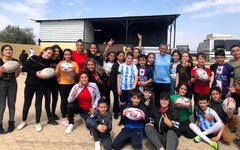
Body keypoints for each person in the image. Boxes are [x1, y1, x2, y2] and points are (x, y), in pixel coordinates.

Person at [17, 47, 55, 132]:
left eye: (51, 54)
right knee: (27, 103)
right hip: (30, 84)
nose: (49, 55)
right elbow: (25, 68)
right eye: (48, 53)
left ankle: (38, 123)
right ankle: (23, 121)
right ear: (44, 52)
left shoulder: (49, 63)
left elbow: (50, 74)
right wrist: (35, 73)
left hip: (41, 85)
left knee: (38, 104)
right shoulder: (34, 58)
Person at [55, 49, 79, 126]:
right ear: (63, 55)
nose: (67, 56)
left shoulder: (74, 64)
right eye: (66, 54)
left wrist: (73, 71)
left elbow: (76, 75)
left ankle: (70, 115)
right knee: (63, 100)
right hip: (62, 84)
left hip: (71, 84)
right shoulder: (61, 63)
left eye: (69, 54)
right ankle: (64, 117)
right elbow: (56, 75)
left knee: (71, 100)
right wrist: (58, 68)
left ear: (71, 55)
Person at [0, 45, 20, 133]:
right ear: (2, 52)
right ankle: (0, 125)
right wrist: (0, 71)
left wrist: (17, 68)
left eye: (10, 50)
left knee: (11, 104)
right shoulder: (0, 61)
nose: (8, 51)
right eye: (6, 50)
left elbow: (17, 75)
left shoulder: (16, 61)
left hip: (13, 83)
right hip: (1, 84)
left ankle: (11, 123)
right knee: (1, 105)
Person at [48, 45, 63, 121]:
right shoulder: (48, 60)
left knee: (55, 99)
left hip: (56, 83)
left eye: (58, 51)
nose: (56, 53)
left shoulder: (59, 61)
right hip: (47, 83)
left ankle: (53, 113)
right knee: (48, 100)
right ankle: (49, 115)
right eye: (55, 51)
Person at [110, 51, 125, 119]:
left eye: (123, 56)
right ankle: (116, 112)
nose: (121, 57)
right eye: (120, 56)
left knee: (122, 99)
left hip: (124, 85)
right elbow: (112, 77)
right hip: (116, 86)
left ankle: (122, 112)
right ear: (117, 57)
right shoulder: (115, 65)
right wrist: (115, 87)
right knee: (116, 99)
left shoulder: (125, 64)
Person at [228, 45, 240, 110]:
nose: (236, 52)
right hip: (235, 88)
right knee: (234, 107)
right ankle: (235, 120)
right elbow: (230, 77)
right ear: (231, 53)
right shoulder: (229, 64)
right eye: (233, 51)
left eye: (237, 50)